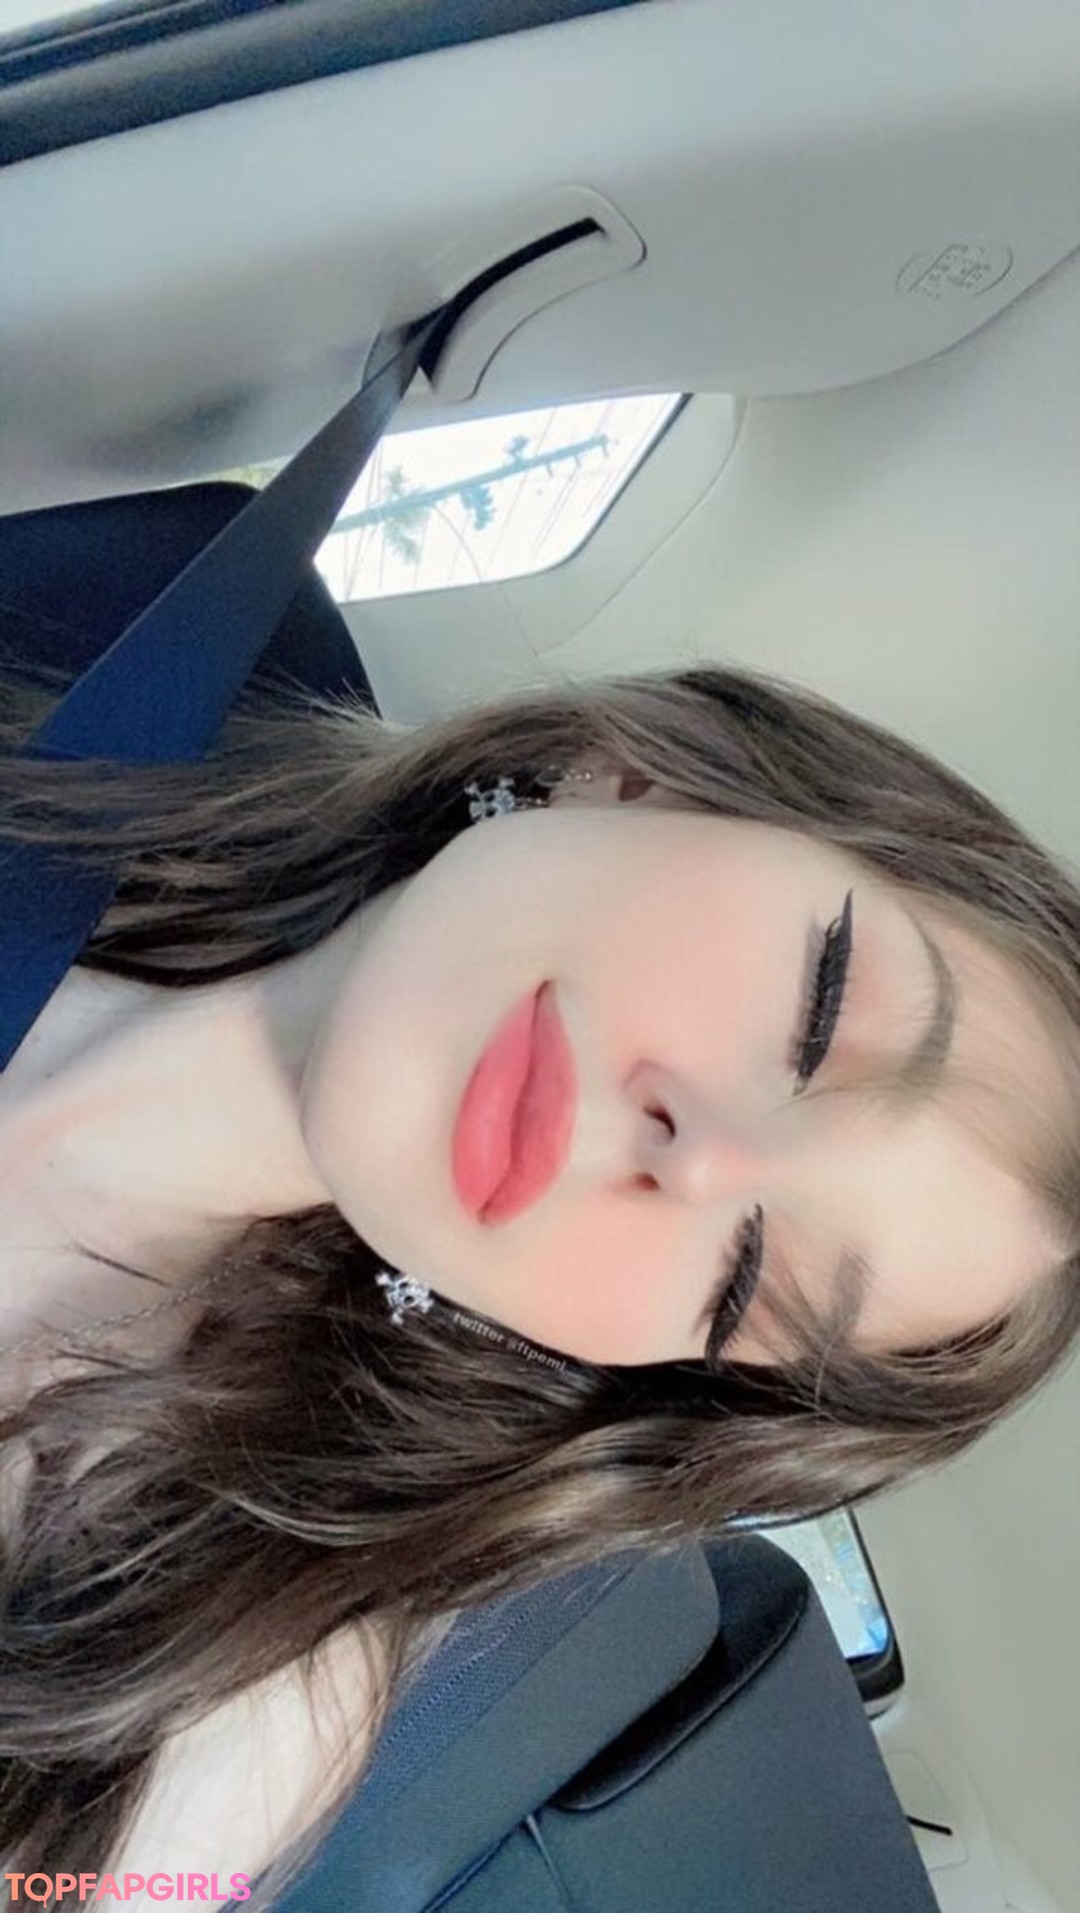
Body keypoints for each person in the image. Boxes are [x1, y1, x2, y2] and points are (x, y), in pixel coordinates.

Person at [0, 639, 1078, 1906]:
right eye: (822, 1004)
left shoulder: (216, 1682)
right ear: (638, 774)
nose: (702, 1159)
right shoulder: (100, 638)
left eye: (747, 1275)